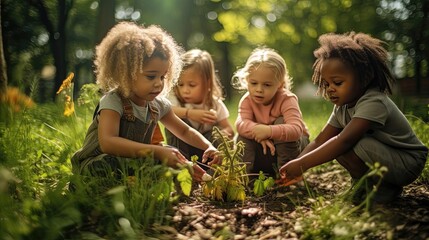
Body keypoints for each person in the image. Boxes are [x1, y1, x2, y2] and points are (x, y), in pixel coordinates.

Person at [279, 32, 428, 203]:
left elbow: (344, 140)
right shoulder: (341, 107)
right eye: (325, 84)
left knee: (349, 144)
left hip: (407, 163)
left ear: (363, 79)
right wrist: (297, 164)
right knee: (332, 146)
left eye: (337, 82)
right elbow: (321, 140)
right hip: (383, 157)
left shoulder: (374, 101)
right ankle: (361, 186)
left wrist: (303, 164)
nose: (330, 89)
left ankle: (385, 189)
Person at [71, 22, 218, 182]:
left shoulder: (158, 105)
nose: (159, 83)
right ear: (125, 73)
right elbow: (108, 143)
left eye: (162, 76)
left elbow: (185, 132)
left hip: (134, 164)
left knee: (171, 154)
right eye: (151, 76)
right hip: (99, 163)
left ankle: (183, 178)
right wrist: (156, 152)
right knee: (115, 163)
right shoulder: (113, 102)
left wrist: (208, 147)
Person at [233, 47, 310, 177]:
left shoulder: (287, 99)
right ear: (246, 80)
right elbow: (240, 123)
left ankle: (288, 176)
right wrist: (257, 131)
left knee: (282, 121)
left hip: (293, 152)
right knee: (242, 136)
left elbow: (296, 130)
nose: (259, 89)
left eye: (267, 85)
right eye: (253, 83)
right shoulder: (247, 100)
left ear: (279, 84)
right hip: (265, 152)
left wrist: (268, 131)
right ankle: (245, 177)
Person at [165, 49, 234, 166]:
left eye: (192, 85)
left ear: (207, 83)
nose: (185, 90)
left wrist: (221, 134)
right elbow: (166, 110)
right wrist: (190, 113)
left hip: (207, 152)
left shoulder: (214, 104)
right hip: (183, 149)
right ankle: (181, 170)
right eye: (180, 84)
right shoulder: (176, 100)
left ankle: (212, 174)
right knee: (174, 124)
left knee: (216, 134)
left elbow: (229, 129)